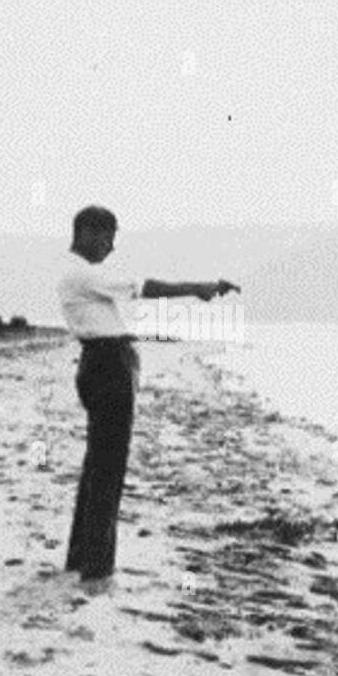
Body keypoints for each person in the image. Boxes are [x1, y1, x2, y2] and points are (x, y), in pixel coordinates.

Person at [57, 205, 239, 593]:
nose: (111, 247)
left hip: (100, 364)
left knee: (96, 468)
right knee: (107, 470)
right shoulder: (84, 273)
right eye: (107, 237)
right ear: (87, 233)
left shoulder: (76, 273)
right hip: (108, 367)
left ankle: (82, 558)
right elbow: (146, 288)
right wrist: (198, 288)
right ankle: (96, 568)